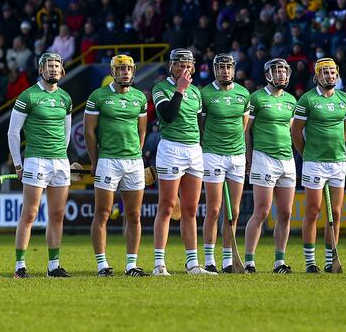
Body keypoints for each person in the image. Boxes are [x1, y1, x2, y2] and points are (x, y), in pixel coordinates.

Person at [9, 52, 73, 278]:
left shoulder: (65, 97)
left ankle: (53, 266)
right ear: (41, 70)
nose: (54, 69)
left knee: (57, 214)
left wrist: (61, 157)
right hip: (36, 160)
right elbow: (13, 132)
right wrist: (18, 164)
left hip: (59, 162)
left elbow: (66, 134)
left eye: (57, 65)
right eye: (49, 65)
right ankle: (20, 266)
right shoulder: (28, 96)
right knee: (30, 213)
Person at [85, 55, 149, 277]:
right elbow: (89, 132)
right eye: (121, 69)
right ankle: (102, 265)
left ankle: (131, 265)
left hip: (133, 162)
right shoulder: (98, 96)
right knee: (102, 213)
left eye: (129, 69)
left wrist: (136, 154)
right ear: (113, 72)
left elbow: (142, 131)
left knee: (134, 215)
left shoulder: (140, 98)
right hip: (107, 161)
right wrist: (95, 160)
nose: (125, 73)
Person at [291, 58, 346, 273]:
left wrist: (334, 149)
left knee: (335, 213)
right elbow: (296, 133)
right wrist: (307, 154)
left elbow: (345, 132)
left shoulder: (344, 99)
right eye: (325, 73)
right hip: (314, 162)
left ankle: (330, 259)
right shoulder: (307, 100)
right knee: (313, 210)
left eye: (333, 72)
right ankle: (310, 261)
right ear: (317, 76)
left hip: (337, 161)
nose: (330, 76)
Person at [150, 48, 206, 276]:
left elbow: (199, 123)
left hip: (193, 149)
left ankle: (192, 263)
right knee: (167, 207)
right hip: (171, 148)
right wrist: (180, 90)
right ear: (171, 66)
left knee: (191, 209)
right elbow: (168, 115)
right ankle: (159, 264)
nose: (184, 69)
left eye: (188, 65)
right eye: (179, 65)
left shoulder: (196, 92)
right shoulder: (161, 88)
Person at [243, 58, 298, 274]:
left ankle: (279, 262)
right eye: (277, 71)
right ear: (268, 74)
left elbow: (292, 130)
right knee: (262, 211)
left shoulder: (292, 100)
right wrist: (248, 157)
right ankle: (249, 261)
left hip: (287, 159)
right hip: (263, 158)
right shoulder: (256, 98)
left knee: (285, 212)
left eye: (284, 71)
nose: (281, 75)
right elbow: (247, 130)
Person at [199, 53, 251, 274]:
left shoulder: (243, 94)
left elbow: (244, 126)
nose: (225, 71)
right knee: (214, 209)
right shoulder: (205, 93)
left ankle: (228, 259)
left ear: (233, 69)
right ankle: (209, 258)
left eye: (228, 67)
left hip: (237, 156)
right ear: (214, 70)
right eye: (221, 68)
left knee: (235, 211)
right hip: (213, 154)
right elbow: (200, 125)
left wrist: (243, 152)